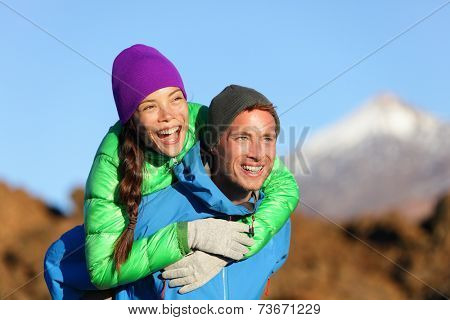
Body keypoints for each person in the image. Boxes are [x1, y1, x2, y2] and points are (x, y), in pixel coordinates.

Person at [44, 45, 299, 299]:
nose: (168, 115)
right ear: (132, 119)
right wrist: (189, 236)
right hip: (142, 241)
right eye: (150, 106)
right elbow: (101, 269)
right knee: (67, 258)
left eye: (176, 98)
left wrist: (230, 250)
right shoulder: (111, 166)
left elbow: (283, 187)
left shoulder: (204, 122)